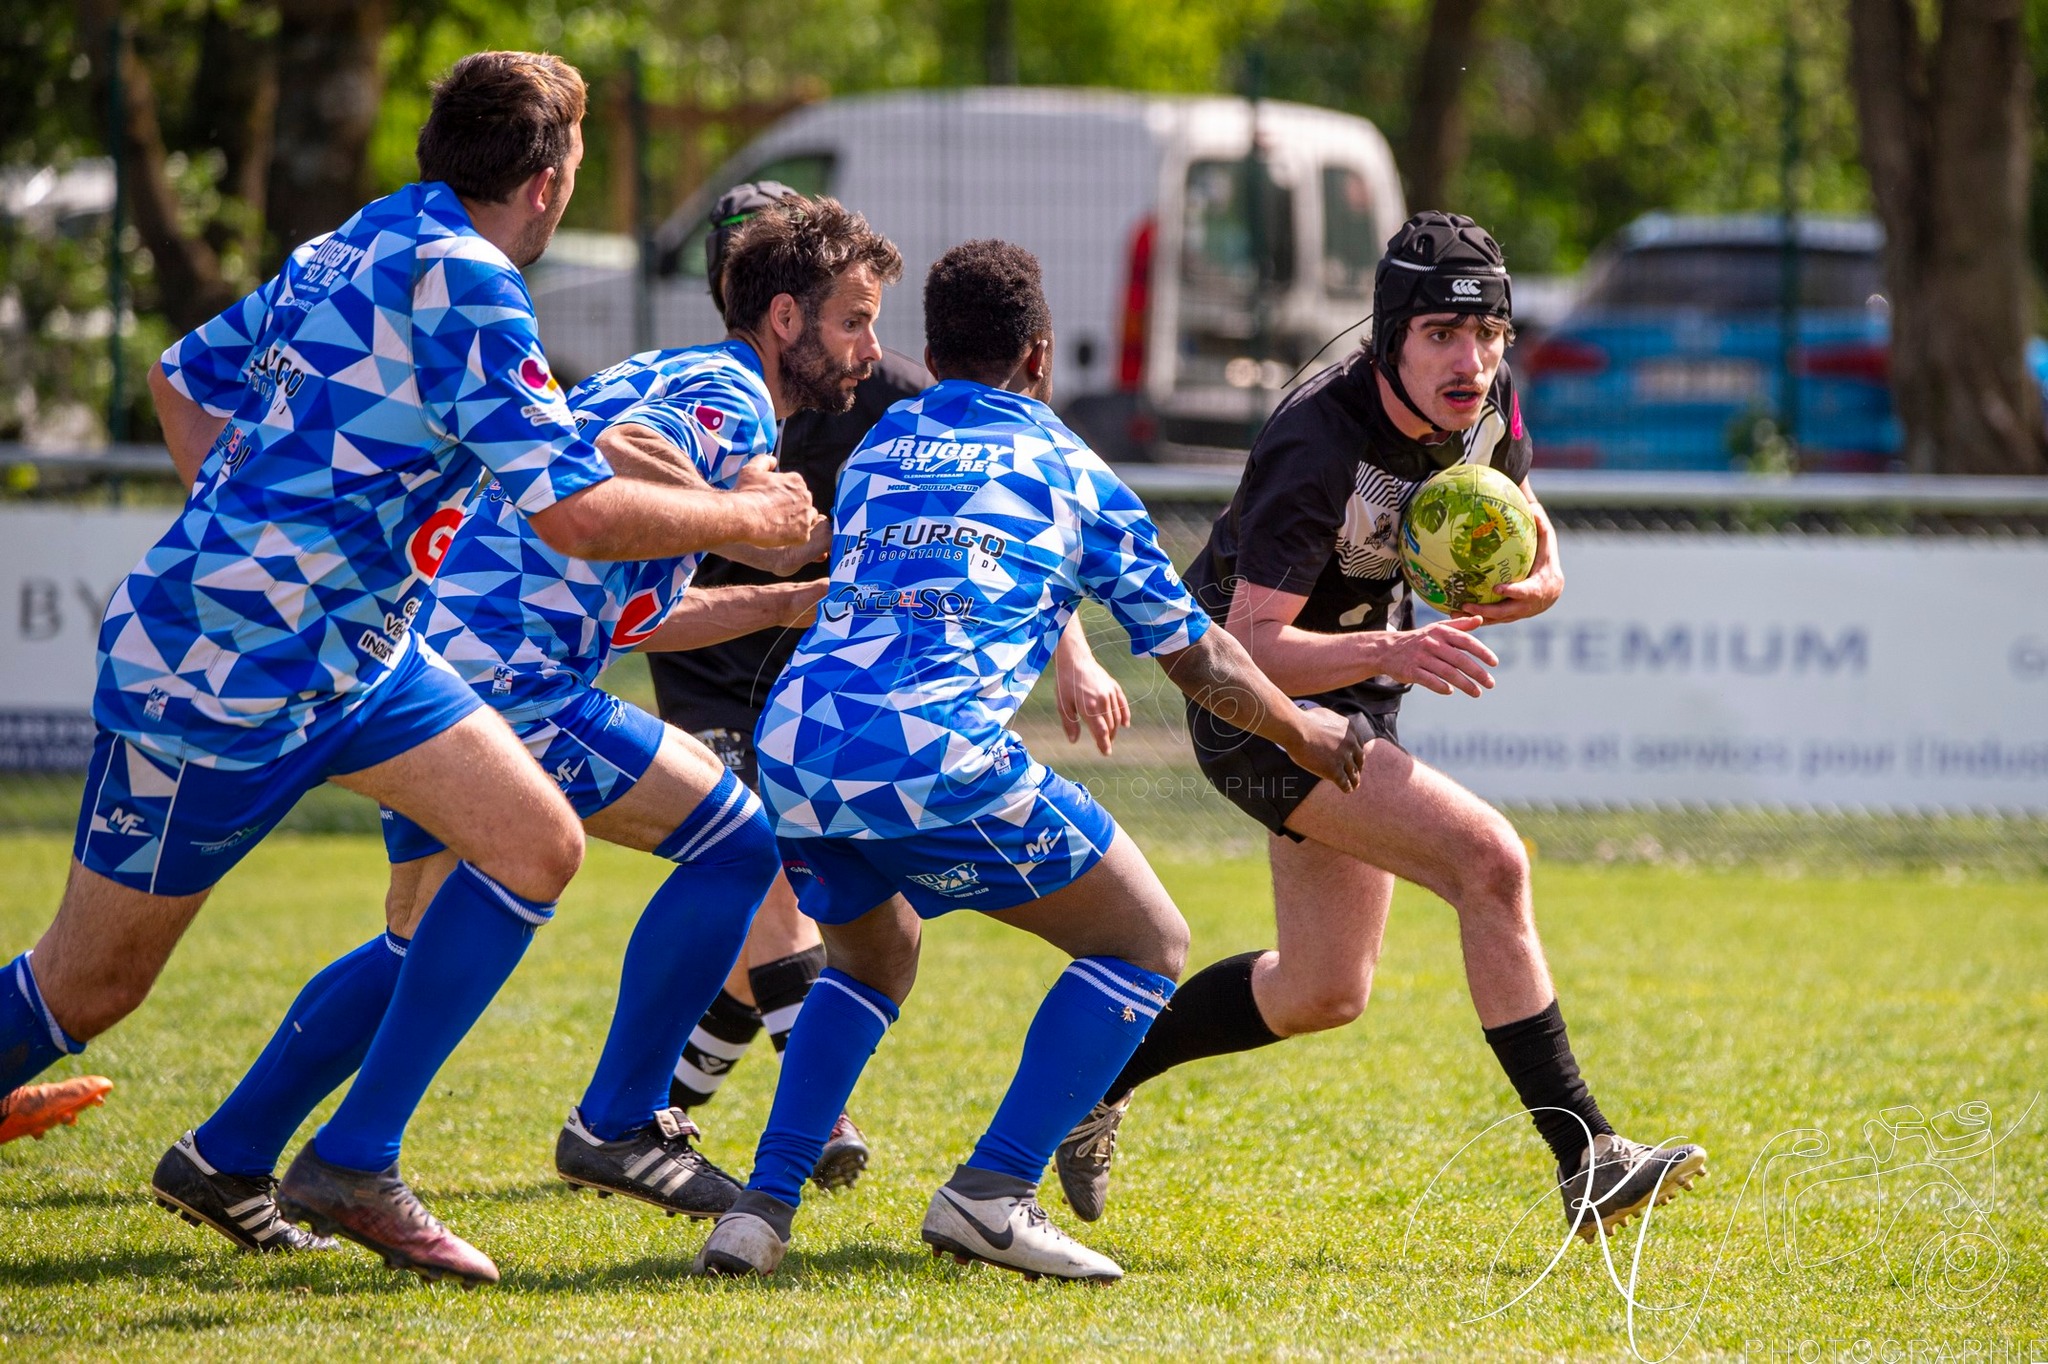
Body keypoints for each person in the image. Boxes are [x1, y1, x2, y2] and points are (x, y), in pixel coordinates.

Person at [0, 51, 821, 1277]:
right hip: (220, 675)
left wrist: (268, 527)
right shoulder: (475, 288)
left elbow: (183, 381)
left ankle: (347, 1159)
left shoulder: (352, 238)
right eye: (574, 173)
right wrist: (757, 524)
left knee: (531, 844)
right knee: (90, 983)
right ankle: (276, 1149)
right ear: (543, 184)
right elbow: (579, 516)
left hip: (364, 655)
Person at [147, 194, 900, 1278]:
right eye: (852, 320)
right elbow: (620, 448)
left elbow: (634, 603)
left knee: (418, 939)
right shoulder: (731, 391)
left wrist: (782, 600)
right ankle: (617, 1120)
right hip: (510, 684)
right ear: (783, 318)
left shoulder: (666, 362)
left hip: (438, 658)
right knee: (736, 843)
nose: (868, 350)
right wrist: (743, 514)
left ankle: (224, 1154)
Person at [690, 240, 1369, 1284]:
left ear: (928, 350)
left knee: (874, 955)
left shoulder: (882, 443)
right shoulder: (1069, 466)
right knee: (1146, 939)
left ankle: (759, 1208)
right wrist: (1304, 732)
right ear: (1039, 358)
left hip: (797, 740)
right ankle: (992, 1190)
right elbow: (1201, 655)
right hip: (932, 751)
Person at [1050, 211, 1708, 1244]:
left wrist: (1534, 581)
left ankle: (1085, 1083)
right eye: (1443, 332)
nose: (1472, 359)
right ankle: (1586, 1151)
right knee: (1487, 860)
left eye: (1488, 332)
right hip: (1253, 704)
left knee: (1321, 987)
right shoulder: (1316, 440)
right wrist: (1395, 650)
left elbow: (1535, 538)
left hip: (1353, 685)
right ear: (1391, 333)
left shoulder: (1483, 405)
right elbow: (1249, 644)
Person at [651, 185, 1134, 1192]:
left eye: (867, 318)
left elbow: (996, 531)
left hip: (820, 661)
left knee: (799, 888)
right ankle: (798, 1135)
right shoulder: (710, 391)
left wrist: (1074, 651)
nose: (863, 340)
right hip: (713, 646)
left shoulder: (893, 393)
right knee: (758, 862)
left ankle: (680, 1108)